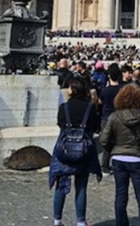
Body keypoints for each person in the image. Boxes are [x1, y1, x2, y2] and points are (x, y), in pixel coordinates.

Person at [100, 84, 140, 226]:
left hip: (119, 158)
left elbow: (103, 139)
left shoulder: (114, 116)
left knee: (120, 195)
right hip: (138, 158)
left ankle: (121, 223)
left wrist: (113, 148)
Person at [49, 77, 101, 226]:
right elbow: (95, 127)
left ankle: (57, 220)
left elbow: (60, 124)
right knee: (81, 186)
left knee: (61, 185)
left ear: (71, 90)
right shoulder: (90, 108)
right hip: (83, 149)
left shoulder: (63, 107)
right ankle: (81, 221)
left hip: (64, 148)